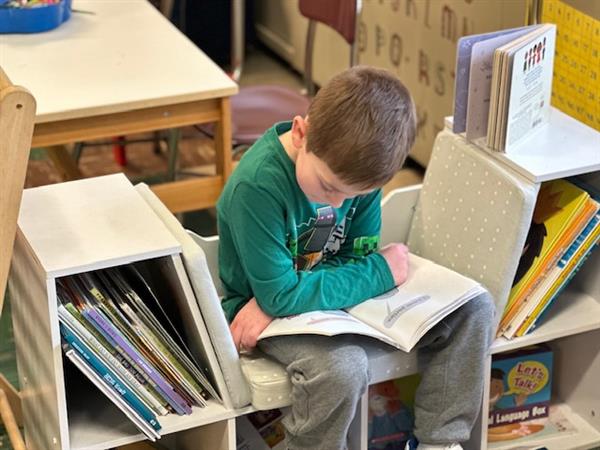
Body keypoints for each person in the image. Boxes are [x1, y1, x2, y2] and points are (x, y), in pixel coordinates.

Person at [217, 66, 495, 450]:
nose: (338, 202)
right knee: (342, 369)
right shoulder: (257, 185)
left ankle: (440, 443)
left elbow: (353, 255)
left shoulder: (355, 175)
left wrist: (295, 291)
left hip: (317, 300)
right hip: (268, 314)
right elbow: (279, 296)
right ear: (301, 133)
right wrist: (379, 271)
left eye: (356, 195)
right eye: (329, 187)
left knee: (476, 307)